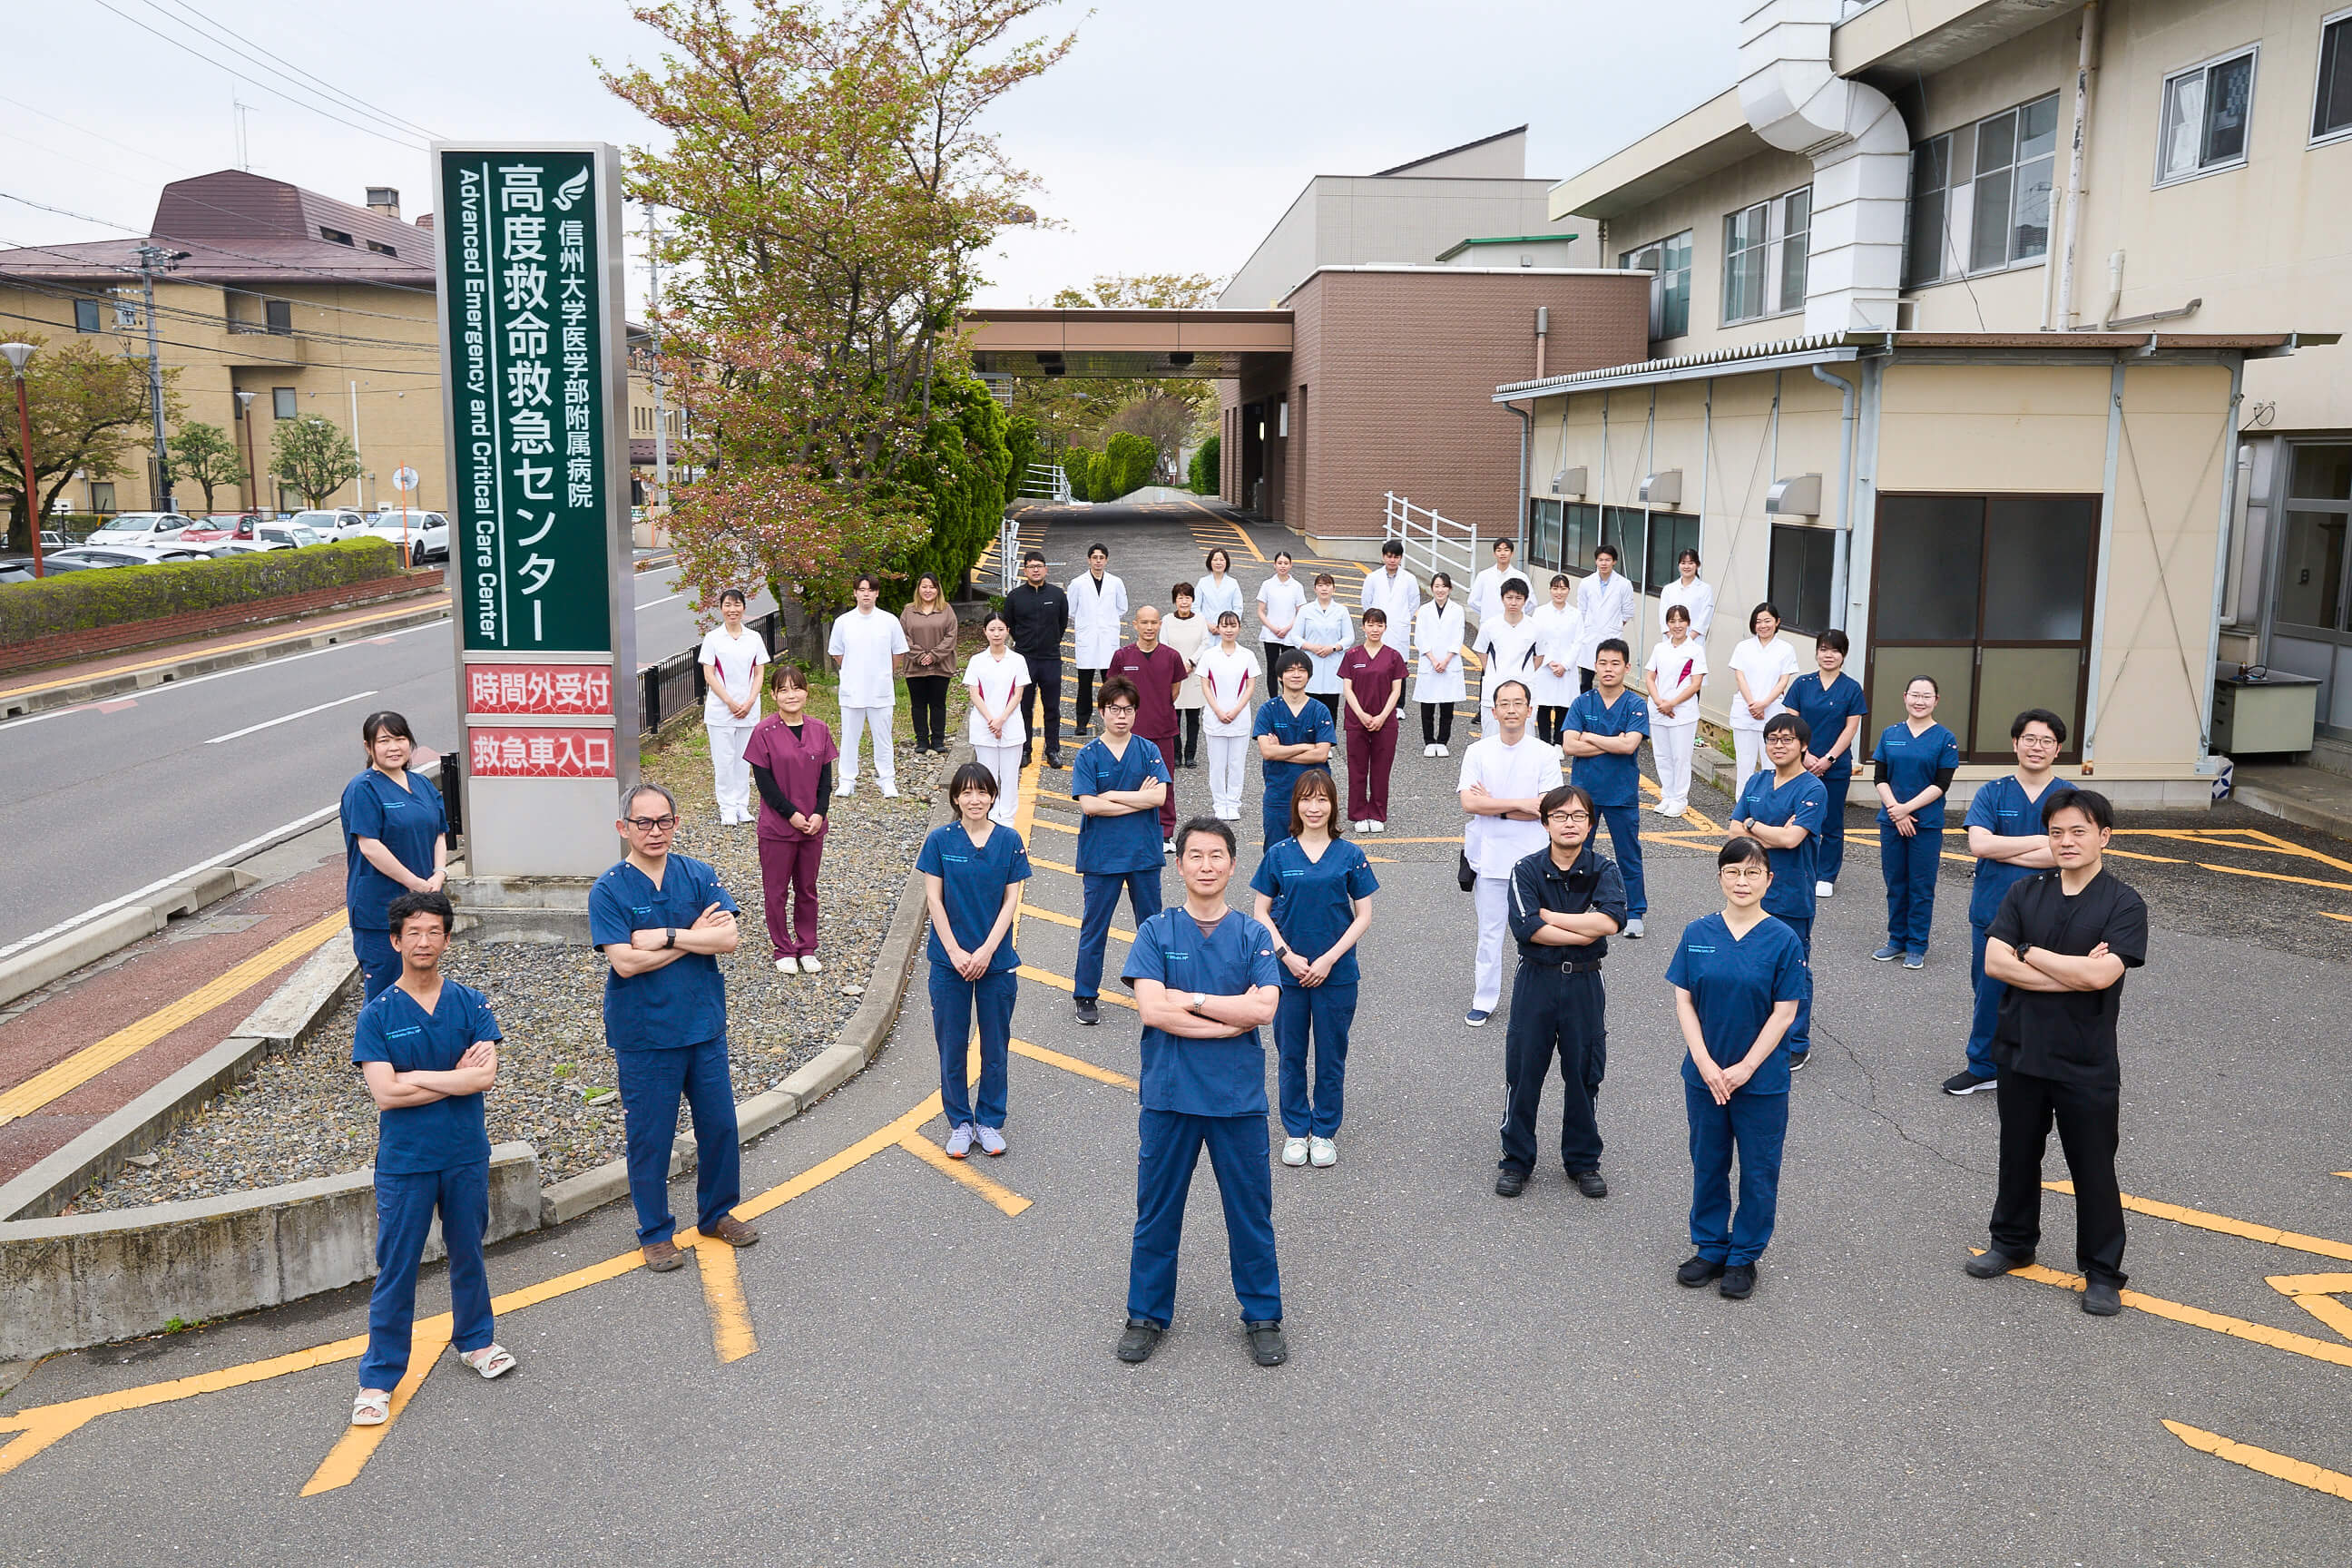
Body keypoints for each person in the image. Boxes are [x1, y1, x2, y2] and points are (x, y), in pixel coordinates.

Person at [1968, 788, 2147, 1318]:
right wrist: (2069, 973)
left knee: (2093, 1167)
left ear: (2104, 836)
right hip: (2020, 1050)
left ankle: (2102, 1271)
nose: (2066, 842)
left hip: (2084, 1060)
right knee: (2017, 1155)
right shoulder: (2025, 892)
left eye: (2078, 831)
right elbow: (1996, 965)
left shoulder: (2123, 903)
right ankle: (2013, 1242)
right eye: (2057, 832)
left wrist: (2032, 953)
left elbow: (2102, 975)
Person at [1117, 817, 1288, 1367]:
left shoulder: (1254, 934)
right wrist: (1221, 1014)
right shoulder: (1156, 932)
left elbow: (1263, 1008)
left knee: (1250, 1212)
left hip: (1236, 1101)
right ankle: (1145, 1314)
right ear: (1179, 864)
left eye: (1217, 856)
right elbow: (1150, 1009)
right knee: (1157, 1212)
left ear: (1233, 865)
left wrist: (1186, 1001)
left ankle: (1263, 1314)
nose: (1207, 865)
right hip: (1169, 1097)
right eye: (1196, 855)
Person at [348, 889, 513, 1428]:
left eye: (434, 931)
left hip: (464, 1154)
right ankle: (377, 1378)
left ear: (447, 937)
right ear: (395, 941)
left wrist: (414, 1076)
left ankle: (476, 1342)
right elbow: (385, 1096)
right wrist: (453, 1080)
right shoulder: (377, 1016)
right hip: (406, 1162)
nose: (424, 941)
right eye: (413, 932)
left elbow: (484, 1076)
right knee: (396, 1267)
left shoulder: (470, 1002)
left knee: (468, 1251)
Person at [589, 783, 760, 1272]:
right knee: (651, 1136)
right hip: (645, 1035)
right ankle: (655, 1231)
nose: (654, 831)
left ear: (676, 823)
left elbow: (728, 938)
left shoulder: (697, 874)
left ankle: (717, 1213)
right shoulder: (609, 889)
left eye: (664, 821)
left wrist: (666, 936)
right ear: (624, 828)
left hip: (702, 1025)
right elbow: (624, 963)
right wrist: (695, 938)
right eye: (643, 823)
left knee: (721, 1127)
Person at [1667, 837, 1808, 1300]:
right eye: (1733, 871)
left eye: (1752, 872)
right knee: (1708, 1163)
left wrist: (1746, 1067)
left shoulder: (1783, 939)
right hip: (1705, 1078)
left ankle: (1744, 1255)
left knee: (1758, 1169)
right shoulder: (1698, 933)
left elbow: (1785, 1012)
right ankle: (1710, 1245)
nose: (1742, 881)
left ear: (1769, 879)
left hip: (1760, 1081)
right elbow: (1684, 999)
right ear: (1720, 877)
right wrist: (1705, 1063)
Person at [1496, 783, 1626, 1200]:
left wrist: (1552, 918)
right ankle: (1516, 1161)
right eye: (1560, 816)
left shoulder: (1604, 869)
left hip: (1586, 982)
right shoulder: (1526, 869)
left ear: (1590, 824)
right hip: (1537, 979)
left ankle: (1583, 1161)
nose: (1569, 824)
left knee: (1584, 1072)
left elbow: (1610, 923)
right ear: (1545, 822)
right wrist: (1579, 925)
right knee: (1524, 1072)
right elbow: (1527, 928)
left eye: (1578, 817)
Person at [1250, 771, 1377, 1171]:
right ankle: (1294, 1130)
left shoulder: (1351, 854)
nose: (1314, 807)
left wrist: (1329, 959)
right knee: (1290, 1053)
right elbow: (1260, 912)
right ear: (1296, 805)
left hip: (1335, 974)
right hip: (1287, 974)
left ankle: (1322, 1131)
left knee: (1330, 1055)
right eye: (1307, 799)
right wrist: (1285, 955)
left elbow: (1364, 914)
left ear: (1333, 805)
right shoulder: (1279, 854)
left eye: (1322, 800)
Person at [917, 762, 1032, 1159]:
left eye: (981, 791)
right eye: (966, 792)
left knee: (996, 1045)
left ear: (992, 795)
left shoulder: (1010, 840)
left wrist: (985, 952)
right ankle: (960, 1123)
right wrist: (955, 952)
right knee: (951, 1045)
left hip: (995, 963)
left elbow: (1011, 900)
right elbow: (934, 899)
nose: (974, 799)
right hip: (949, 964)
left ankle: (989, 1121)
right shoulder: (939, 841)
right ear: (955, 798)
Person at [1948, 710, 2064, 1095]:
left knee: (2047, 989)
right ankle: (1983, 1066)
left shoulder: (2069, 798)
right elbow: (1979, 844)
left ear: (2058, 749)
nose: (2037, 747)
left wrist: (2005, 850)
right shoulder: (1992, 792)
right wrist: (2040, 843)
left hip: (2053, 912)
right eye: (2029, 739)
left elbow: (2068, 853)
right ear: (2015, 744)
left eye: (2046, 741)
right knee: (1989, 990)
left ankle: (2039, 1065)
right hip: (1994, 909)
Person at [1457, 681, 1563, 1027]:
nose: (1512, 709)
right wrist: (1519, 804)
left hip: (1534, 859)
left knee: (1540, 931)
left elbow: (1548, 808)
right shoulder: (1479, 752)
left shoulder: (1545, 753)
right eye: (1505, 704)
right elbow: (1469, 802)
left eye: (1519, 703)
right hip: (1489, 858)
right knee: (1489, 933)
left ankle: (1544, 1000)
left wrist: (1494, 806)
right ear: (1494, 711)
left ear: (1530, 710)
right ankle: (1484, 1000)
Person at [1728, 712, 1829, 1071]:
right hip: (1749, 891)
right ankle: (1760, 1034)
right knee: (1752, 964)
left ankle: (1796, 1041)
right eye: (1772, 739)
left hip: (1790, 892)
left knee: (1793, 967)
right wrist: (1763, 829)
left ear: (1803, 746)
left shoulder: (1812, 788)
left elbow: (1792, 838)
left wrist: (1754, 825)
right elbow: (1733, 831)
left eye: (1787, 739)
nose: (1779, 745)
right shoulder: (1757, 780)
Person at [1071, 678, 1171, 1027]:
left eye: (1128, 710)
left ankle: (1156, 989)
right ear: (1102, 712)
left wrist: (1111, 795)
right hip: (1102, 857)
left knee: (1151, 926)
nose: (1121, 716)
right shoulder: (1087, 755)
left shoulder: (1148, 750)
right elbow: (1088, 806)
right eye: (1114, 709)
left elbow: (1158, 798)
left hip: (1142, 854)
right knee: (1095, 928)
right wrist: (1135, 800)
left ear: (1135, 713)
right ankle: (1085, 994)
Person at [342, 710, 448, 1003]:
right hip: (380, 910)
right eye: (384, 740)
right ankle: (376, 1048)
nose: (393, 747)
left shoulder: (422, 784)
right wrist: (414, 882)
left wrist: (439, 873)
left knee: (421, 982)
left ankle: (412, 1046)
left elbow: (440, 833)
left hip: (423, 902)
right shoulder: (362, 788)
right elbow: (370, 846)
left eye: (400, 739)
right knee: (385, 992)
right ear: (369, 747)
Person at [745, 665, 835, 974]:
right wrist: (792, 815)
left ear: (806, 692)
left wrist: (818, 814)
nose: (791, 695)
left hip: (812, 825)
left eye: (796, 688)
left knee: (808, 888)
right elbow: (765, 783)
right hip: (777, 826)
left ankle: (807, 945)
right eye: (783, 690)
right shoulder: (763, 732)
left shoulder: (820, 729)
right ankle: (783, 947)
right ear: (773, 695)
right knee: (777, 889)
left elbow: (826, 780)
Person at [1561, 640, 1651, 939]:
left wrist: (1590, 736)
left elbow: (1629, 747)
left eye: (1615, 664)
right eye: (1603, 663)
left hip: (1621, 794)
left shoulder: (1636, 704)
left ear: (1626, 667)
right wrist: (1612, 742)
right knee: (1576, 851)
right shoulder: (1582, 702)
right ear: (1595, 666)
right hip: (1584, 795)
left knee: (1628, 853)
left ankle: (1634, 910)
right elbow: (1569, 745)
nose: (1608, 669)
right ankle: (1574, 907)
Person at [1872, 675, 1961, 968]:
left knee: (1921, 885)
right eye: (1915, 695)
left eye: (1926, 696)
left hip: (1926, 824)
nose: (1919, 701)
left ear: (1936, 700)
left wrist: (1906, 809)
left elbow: (1941, 784)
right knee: (1895, 882)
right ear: (1905, 697)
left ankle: (1917, 945)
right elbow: (1880, 778)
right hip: (1892, 820)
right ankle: (1896, 940)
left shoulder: (1945, 739)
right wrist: (1895, 810)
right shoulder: (1890, 733)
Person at [1785, 629, 1869, 897]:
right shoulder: (1802, 684)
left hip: (1835, 765)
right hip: (1801, 763)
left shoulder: (1851, 688)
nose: (1828, 654)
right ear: (1817, 652)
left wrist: (1829, 759)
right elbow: (1791, 723)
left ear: (1843, 654)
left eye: (1834, 650)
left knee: (1831, 821)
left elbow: (1850, 728)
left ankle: (1826, 875)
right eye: (1823, 649)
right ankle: (1800, 869)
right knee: (1797, 817)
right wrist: (1805, 755)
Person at [1109, 606, 1189, 848]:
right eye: (1144, 622)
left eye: (1153, 623)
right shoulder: (1122, 656)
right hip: (1128, 733)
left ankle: (1165, 833)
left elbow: (1174, 691)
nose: (1149, 628)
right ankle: (1128, 829)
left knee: (1163, 782)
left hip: (1163, 729)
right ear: (1134, 625)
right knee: (1127, 781)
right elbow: (1114, 693)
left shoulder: (1171, 656)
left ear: (1160, 625)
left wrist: (1158, 707)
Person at [828, 573, 908, 799]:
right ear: (855, 593)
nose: (866, 594)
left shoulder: (888, 620)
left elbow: (898, 651)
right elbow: (837, 653)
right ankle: (847, 779)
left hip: (880, 690)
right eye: (862, 590)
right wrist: (855, 670)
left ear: (877, 593)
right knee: (850, 736)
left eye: (870, 590)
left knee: (882, 736)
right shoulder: (844, 622)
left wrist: (883, 672)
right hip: (852, 690)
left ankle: (887, 779)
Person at [1253, 650, 1336, 849]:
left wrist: (1281, 751)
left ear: (1309, 675)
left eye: (1301, 670)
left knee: (1315, 850)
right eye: (1290, 670)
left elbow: (1321, 754)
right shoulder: (1268, 710)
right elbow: (1267, 752)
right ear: (1280, 676)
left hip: (1315, 796)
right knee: (1276, 850)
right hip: (1279, 794)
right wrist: (1304, 747)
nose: (1296, 674)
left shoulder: (1319, 710)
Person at [700, 587, 767, 824]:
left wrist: (748, 702)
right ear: (721, 609)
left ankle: (741, 805)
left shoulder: (754, 638)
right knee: (724, 760)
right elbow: (709, 674)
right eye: (727, 605)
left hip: (748, 710)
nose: (732, 609)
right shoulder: (713, 638)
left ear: (744, 608)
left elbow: (759, 672)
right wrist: (729, 702)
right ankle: (727, 807)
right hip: (721, 711)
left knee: (744, 760)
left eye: (737, 605)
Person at [1338, 608, 1406, 832]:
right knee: (1357, 769)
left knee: (1380, 770)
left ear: (1385, 628)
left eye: (1379, 625)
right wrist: (1362, 715)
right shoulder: (1352, 655)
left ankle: (1377, 814)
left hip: (1385, 722)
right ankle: (1358, 814)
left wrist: (1382, 716)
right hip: (1357, 721)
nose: (1375, 629)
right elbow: (1347, 688)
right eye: (1371, 624)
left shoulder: (1394, 656)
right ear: (1363, 626)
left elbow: (1396, 691)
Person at [963, 612, 1030, 828]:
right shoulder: (977, 661)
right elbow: (974, 694)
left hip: (1011, 724)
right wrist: (992, 720)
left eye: (1001, 629)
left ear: (1008, 631)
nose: (996, 634)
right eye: (992, 629)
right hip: (984, 726)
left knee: (1010, 776)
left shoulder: (1017, 660)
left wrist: (1001, 719)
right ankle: (990, 816)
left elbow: (1018, 694)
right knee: (987, 776)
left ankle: (1008, 819)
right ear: (985, 632)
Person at [1727, 601, 1800, 795]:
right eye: (1758, 621)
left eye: (1767, 621)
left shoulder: (1786, 649)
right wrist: (1753, 704)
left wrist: (1764, 704)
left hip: (1772, 712)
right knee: (1744, 764)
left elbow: (1784, 680)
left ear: (1777, 622)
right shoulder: (1743, 647)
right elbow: (1739, 676)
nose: (1763, 625)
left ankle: (1769, 807)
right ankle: (1741, 808)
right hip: (1745, 710)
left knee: (1771, 765)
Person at [1005, 550, 1069, 769]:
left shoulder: (1057, 595)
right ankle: (1025, 749)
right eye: (1031, 566)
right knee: (1024, 707)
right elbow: (1010, 624)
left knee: (1052, 707)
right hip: (1025, 659)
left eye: (1039, 566)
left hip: (1051, 658)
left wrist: (1051, 642)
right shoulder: (1015, 597)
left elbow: (1062, 624)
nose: (1035, 570)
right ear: (1025, 570)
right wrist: (1024, 643)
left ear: (1046, 569)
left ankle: (1053, 750)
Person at [1644, 603, 1708, 817]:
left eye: (1681, 621)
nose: (1677, 625)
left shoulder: (1695, 650)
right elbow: (1650, 676)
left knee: (1680, 757)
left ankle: (1680, 799)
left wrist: (1672, 703)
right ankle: (1668, 795)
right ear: (1667, 624)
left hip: (1682, 713)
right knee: (1662, 755)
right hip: (1658, 710)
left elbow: (1695, 684)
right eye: (1673, 621)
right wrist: (1658, 701)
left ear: (1688, 623)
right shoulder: (1659, 648)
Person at [1198, 612, 1261, 821]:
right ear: (1218, 628)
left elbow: (1250, 685)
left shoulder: (1247, 655)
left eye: (1233, 625)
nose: (1228, 629)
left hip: (1239, 717)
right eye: (1224, 626)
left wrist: (1235, 710)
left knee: (1236, 764)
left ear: (1239, 627)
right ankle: (1219, 803)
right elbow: (1205, 685)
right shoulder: (1209, 655)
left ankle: (1233, 803)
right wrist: (1217, 710)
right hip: (1215, 717)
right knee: (1216, 765)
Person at [1069, 543, 1128, 737]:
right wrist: (1089, 622)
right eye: (1094, 558)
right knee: (1084, 684)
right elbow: (1071, 610)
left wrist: (1106, 622)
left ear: (1106, 560)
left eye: (1101, 558)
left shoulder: (1115, 582)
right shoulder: (1078, 583)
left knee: (1110, 683)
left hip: (1107, 638)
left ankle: (1110, 720)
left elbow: (1122, 607)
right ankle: (1081, 722)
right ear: (1088, 560)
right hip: (1087, 638)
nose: (1098, 561)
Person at [899, 571, 958, 756]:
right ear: (918, 589)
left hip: (940, 666)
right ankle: (922, 740)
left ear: (937, 589)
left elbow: (951, 635)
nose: (928, 590)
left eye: (932, 587)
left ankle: (938, 739)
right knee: (918, 704)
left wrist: (933, 655)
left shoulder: (946, 609)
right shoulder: (909, 610)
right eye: (924, 586)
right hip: (914, 666)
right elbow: (902, 636)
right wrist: (919, 655)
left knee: (938, 703)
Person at [1413, 572, 1466, 756]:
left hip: (1449, 662)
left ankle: (1443, 741)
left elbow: (1458, 636)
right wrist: (1434, 659)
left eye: (1444, 586)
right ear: (1432, 588)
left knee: (1446, 705)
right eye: (1437, 586)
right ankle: (1429, 741)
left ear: (1450, 589)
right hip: (1429, 661)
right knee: (1427, 705)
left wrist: (1446, 659)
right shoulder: (1424, 610)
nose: (1440, 590)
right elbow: (1420, 637)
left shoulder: (1457, 610)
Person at [1475, 580, 1541, 730]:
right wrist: (1495, 672)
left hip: (1525, 688)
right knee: (1491, 740)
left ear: (1525, 600)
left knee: (1524, 740)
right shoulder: (1489, 626)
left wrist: (1523, 673)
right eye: (1509, 598)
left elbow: (1539, 657)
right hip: (1494, 688)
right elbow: (1481, 652)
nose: (1513, 602)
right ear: (1502, 599)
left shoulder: (1535, 628)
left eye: (1518, 598)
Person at [1573, 544, 1636, 692]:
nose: (1604, 563)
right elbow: (1582, 610)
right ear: (1596, 561)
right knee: (1586, 681)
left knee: (1610, 677)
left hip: (1611, 634)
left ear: (1614, 562)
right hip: (1590, 636)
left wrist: (1614, 625)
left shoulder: (1624, 584)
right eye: (1600, 560)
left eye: (1608, 560)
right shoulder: (1586, 583)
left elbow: (1627, 612)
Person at [1528, 573, 1583, 744]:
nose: (1559, 592)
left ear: (1568, 590)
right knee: (1544, 705)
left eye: (1563, 588)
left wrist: (1565, 665)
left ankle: (1559, 743)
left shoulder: (1575, 614)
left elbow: (1578, 641)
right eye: (1555, 588)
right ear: (1550, 590)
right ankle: (1544, 741)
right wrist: (1550, 661)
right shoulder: (1540, 613)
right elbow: (1535, 638)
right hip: (1545, 667)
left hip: (1566, 668)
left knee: (1563, 706)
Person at [1163, 581, 1210, 768]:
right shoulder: (1167, 620)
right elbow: (1164, 643)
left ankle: (1190, 755)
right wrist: (1177, 665)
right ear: (1175, 600)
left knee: (1193, 717)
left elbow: (1205, 643)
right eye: (1180, 598)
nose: (1184, 602)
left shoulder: (1199, 619)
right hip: (1173, 674)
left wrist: (1191, 662)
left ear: (1193, 600)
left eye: (1187, 598)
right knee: (1173, 717)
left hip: (1193, 672)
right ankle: (1175, 754)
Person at [1296, 572, 1352, 705]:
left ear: (1334, 588)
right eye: (1320, 585)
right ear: (1315, 589)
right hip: (1311, 659)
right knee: (1309, 706)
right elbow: (1295, 636)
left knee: (1331, 707)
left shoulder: (1341, 610)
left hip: (1333, 661)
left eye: (1327, 585)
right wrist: (1311, 647)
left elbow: (1349, 637)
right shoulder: (1306, 610)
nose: (1324, 589)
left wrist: (1333, 648)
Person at [1467, 536, 1533, 627]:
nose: (1502, 553)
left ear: (1512, 553)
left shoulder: (1521, 576)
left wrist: (1516, 612)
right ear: (1494, 554)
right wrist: (1488, 611)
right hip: (1489, 623)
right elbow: (1473, 601)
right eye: (1499, 550)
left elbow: (1531, 602)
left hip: (1514, 625)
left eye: (1506, 550)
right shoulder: (1483, 575)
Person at [1256, 550, 1307, 664]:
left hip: (1290, 633)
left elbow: (1301, 612)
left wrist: (1287, 628)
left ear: (1291, 565)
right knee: (1272, 667)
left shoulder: (1297, 586)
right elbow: (1260, 611)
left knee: (1289, 668)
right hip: (1270, 632)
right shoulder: (1267, 584)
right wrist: (1272, 628)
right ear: (1274, 565)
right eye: (1279, 563)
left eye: (1286, 563)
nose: (1282, 566)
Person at [1360, 537, 1419, 629]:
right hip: (1377, 626)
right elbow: (1366, 601)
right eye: (1389, 557)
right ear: (1383, 556)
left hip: (1400, 627)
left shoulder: (1410, 579)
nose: (1392, 560)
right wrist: (1373, 620)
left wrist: (1405, 618)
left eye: (1396, 557)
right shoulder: (1372, 577)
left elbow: (1414, 603)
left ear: (1401, 558)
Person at [1657, 548, 1715, 641]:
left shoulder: (1705, 589)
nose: (1687, 566)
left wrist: (1687, 640)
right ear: (1678, 565)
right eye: (1683, 563)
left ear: (1697, 565)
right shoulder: (1668, 589)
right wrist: (1673, 639)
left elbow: (1705, 618)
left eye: (1691, 563)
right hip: (1670, 641)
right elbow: (1663, 616)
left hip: (1694, 641)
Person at [1193, 546, 1244, 628]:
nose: (1218, 563)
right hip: (1205, 628)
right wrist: (1207, 625)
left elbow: (1238, 608)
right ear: (1210, 562)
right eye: (1215, 560)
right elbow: (1195, 607)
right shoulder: (1202, 582)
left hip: (1227, 629)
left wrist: (1227, 625)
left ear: (1227, 562)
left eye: (1222, 560)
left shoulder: (1233, 583)